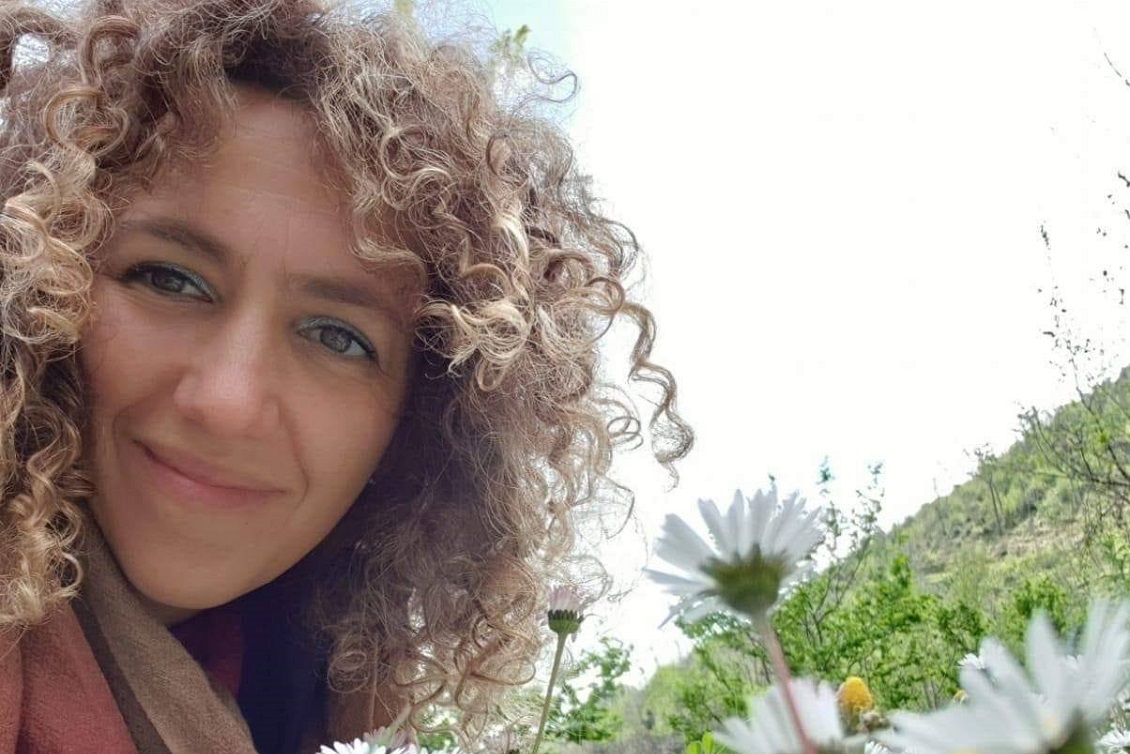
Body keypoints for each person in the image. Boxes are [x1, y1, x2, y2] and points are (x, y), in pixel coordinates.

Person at [0, 1, 692, 752]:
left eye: (337, 336)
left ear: (422, 428)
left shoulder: (322, 702)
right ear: (40, 275)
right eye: (169, 279)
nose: (228, 402)